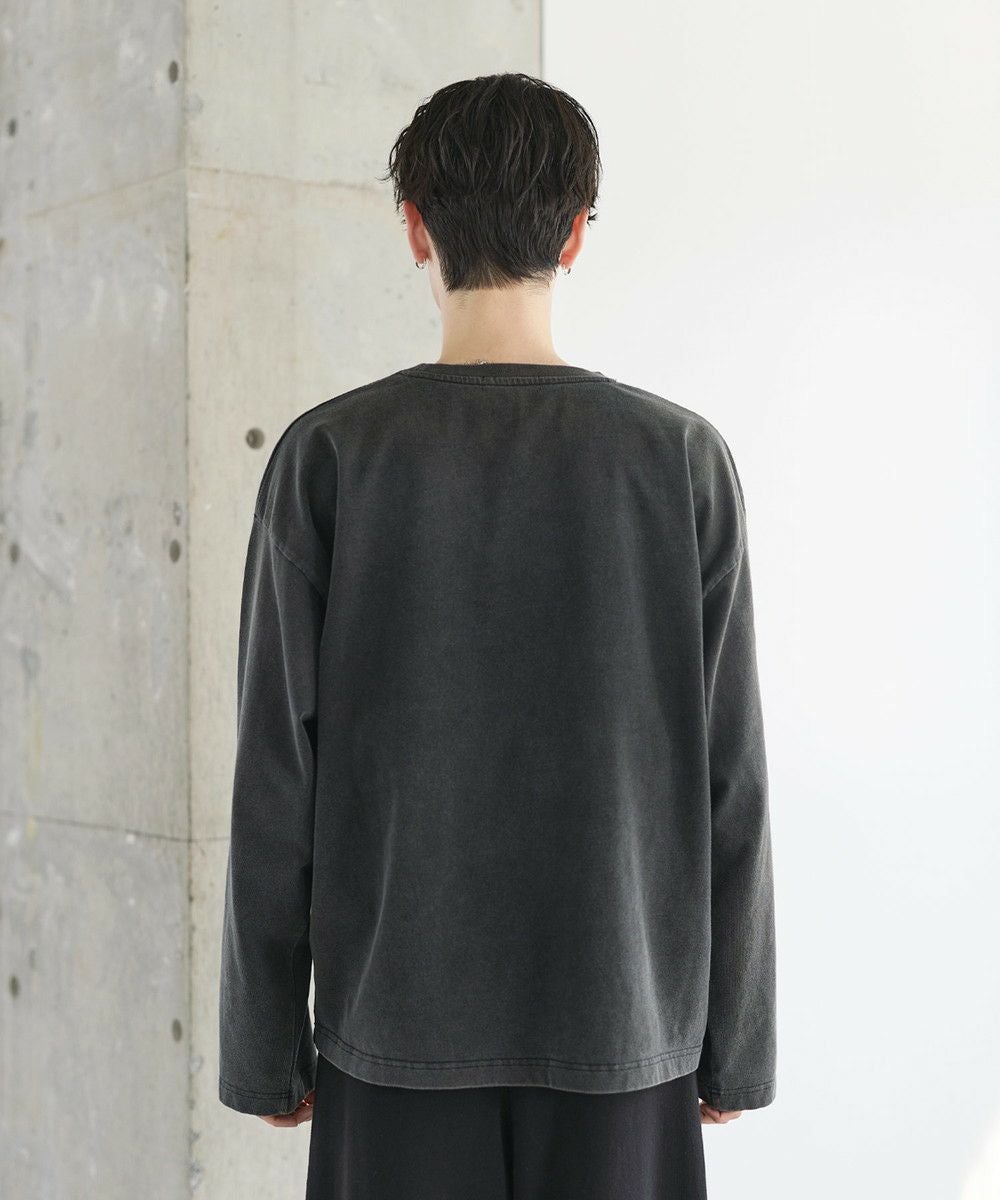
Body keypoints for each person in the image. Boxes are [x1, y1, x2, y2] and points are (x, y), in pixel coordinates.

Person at [218, 71, 776, 1199]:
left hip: (393, 1035)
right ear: (575, 235)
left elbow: (276, 774)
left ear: (414, 227)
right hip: (625, 1028)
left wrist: (262, 1047)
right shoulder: (682, 463)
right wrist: (737, 1043)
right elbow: (730, 779)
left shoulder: (330, 458)